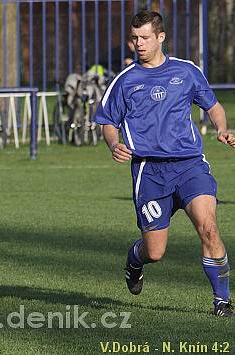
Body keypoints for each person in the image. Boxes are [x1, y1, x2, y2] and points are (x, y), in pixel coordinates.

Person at [95, 10, 235, 317]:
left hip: (189, 165)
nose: (139, 44)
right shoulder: (125, 81)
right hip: (150, 172)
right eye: (134, 38)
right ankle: (135, 261)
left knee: (209, 229)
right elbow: (107, 121)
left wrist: (222, 129)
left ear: (161, 37)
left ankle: (222, 302)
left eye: (145, 37)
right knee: (155, 252)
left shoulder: (186, 71)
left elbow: (213, 107)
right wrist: (114, 143)